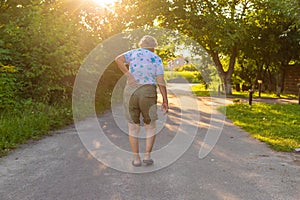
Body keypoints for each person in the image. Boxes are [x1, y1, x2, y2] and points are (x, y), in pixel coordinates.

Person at [115, 35, 168, 167]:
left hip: (130, 91)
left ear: (141, 45)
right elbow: (160, 81)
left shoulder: (133, 53)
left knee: (133, 127)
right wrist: (165, 100)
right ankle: (147, 156)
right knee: (150, 126)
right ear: (153, 47)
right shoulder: (156, 58)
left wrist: (129, 76)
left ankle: (136, 159)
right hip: (147, 92)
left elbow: (118, 60)